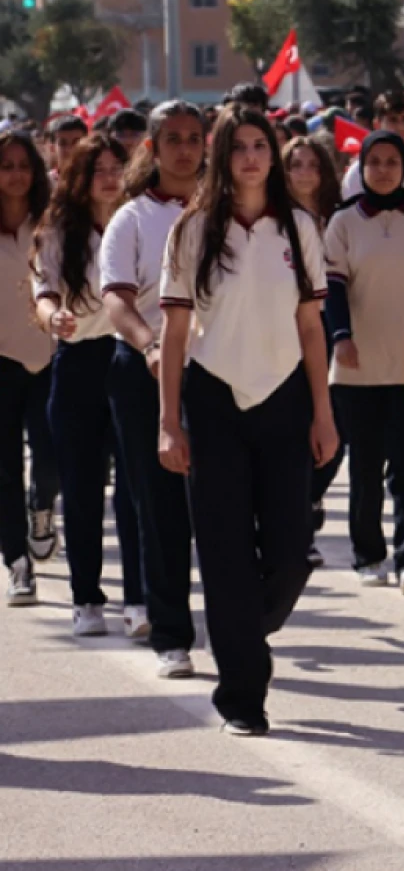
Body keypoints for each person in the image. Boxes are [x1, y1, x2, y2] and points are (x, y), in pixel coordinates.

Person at [158, 107, 337, 737]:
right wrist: (168, 423)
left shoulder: (300, 228)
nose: (251, 158)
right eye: (239, 148)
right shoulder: (192, 229)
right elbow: (175, 332)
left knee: (290, 552)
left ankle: (239, 624)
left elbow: (311, 326)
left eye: (262, 146)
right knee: (225, 553)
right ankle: (242, 695)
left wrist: (323, 412)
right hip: (211, 402)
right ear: (221, 156)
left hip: (285, 399)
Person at [100, 102, 206, 677]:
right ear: (153, 147)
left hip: (218, 372)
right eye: (173, 139)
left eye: (194, 138)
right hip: (143, 371)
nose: (185, 149)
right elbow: (116, 298)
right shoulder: (132, 218)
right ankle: (172, 633)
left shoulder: (224, 212)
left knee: (223, 502)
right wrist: (149, 345)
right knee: (160, 505)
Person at [30, 134, 143, 637]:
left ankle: (139, 599)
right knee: (80, 488)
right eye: (97, 168)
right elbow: (44, 293)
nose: (109, 176)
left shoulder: (138, 221)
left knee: (135, 489)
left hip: (129, 360)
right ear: (79, 177)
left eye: (116, 165)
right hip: (77, 365)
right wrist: (54, 319)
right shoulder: (59, 230)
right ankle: (86, 598)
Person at [324, 132, 404, 593]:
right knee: (365, 467)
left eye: (393, 162)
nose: (385, 170)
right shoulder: (344, 221)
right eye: (375, 162)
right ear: (361, 168)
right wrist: (341, 336)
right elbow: (332, 287)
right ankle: (369, 554)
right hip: (358, 366)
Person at [284, 136, 344, 567]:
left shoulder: (341, 220)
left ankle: (309, 498)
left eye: (312, 165)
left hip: (334, 328)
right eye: (295, 164)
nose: (304, 173)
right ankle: (295, 520)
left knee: (336, 432)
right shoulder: (274, 220)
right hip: (287, 330)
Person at [1, 133, 53, 605]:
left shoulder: (52, 224)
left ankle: (43, 508)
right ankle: (18, 562)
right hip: (0, 362)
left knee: (49, 453)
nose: (16, 174)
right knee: (4, 466)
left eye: (23, 165)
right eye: (6, 165)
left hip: (50, 358)